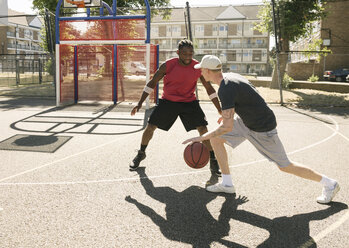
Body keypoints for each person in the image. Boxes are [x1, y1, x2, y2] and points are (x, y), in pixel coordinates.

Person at [183, 55, 340, 204]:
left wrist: (201, 137)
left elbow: (227, 127)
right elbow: (250, 97)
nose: (201, 72)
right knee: (216, 139)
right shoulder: (230, 78)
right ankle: (227, 183)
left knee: (285, 166)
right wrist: (228, 116)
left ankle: (330, 184)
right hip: (246, 122)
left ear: (209, 71)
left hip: (263, 128)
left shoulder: (225, 88)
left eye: (202, 69)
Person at [130, 39, 222, 176]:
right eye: (184, 53)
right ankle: (141, 153)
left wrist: (219, 108)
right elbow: (152, 83)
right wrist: (140, 102)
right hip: (169, 101)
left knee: (203, 129)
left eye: (190, 53)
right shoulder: (167, 66)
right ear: (178, 53)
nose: (188, 56)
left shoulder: (197, 67)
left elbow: (209, 88)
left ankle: (213, 159)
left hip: (189, 102)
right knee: (150, 127)